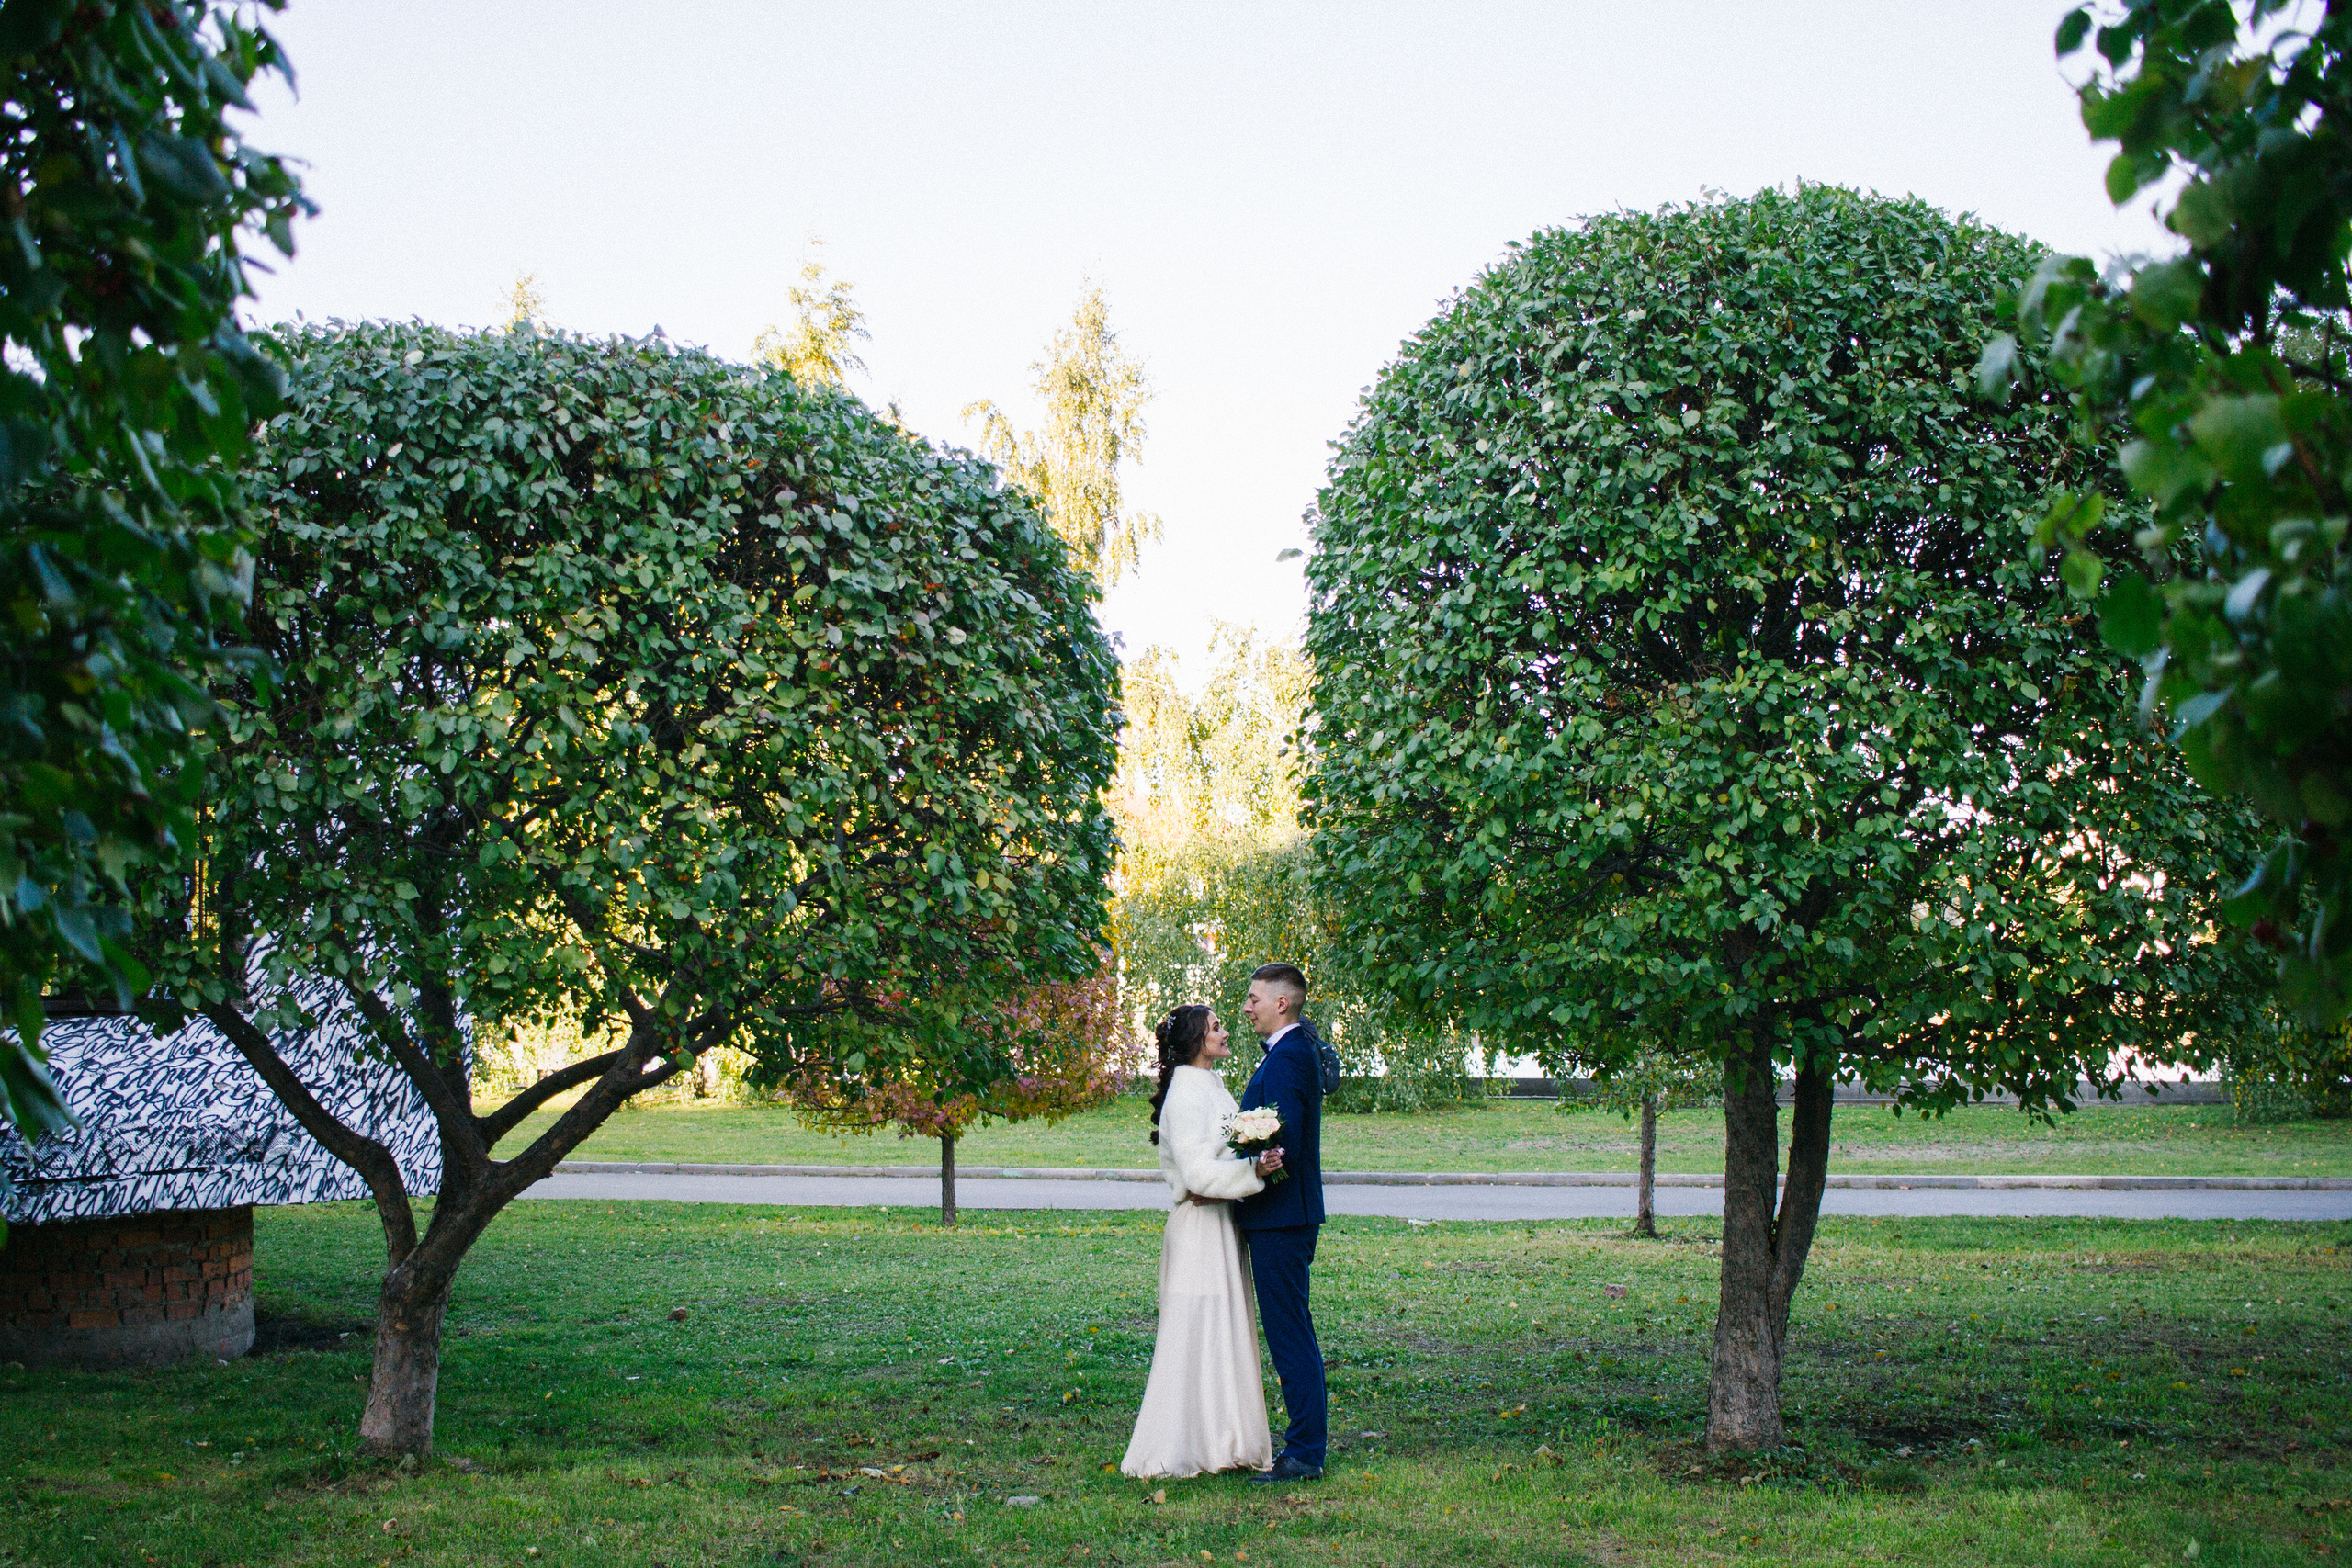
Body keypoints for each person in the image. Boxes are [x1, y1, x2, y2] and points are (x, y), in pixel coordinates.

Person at [1119, 1004, 1287, 1479]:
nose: (1226, 1031)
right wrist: (1251, 1171)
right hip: (1198, 1226)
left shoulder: (1210, 1084)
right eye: (1216, 1028)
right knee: (1196, 1333)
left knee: (1225, 1330)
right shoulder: (1186, 1095)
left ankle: (1226, 1441)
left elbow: (1227, 1143)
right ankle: (1182, 1445)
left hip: (1222, 1225)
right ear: (1196, 1040)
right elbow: (1196, 1173)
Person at [1233, 961, 1328, 1483]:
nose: (1246, 1008)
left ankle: (1306, 1452)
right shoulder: (1288, 1053)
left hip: (1283, 1218)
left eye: (1253, 999)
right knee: (1291, 1330)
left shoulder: (1290, 1056)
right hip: (1280, 1217)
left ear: (1281, 1003)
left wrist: (1233, 1152)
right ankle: (1305, 1445)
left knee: (1290, 1333)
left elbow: (1279, 1137)